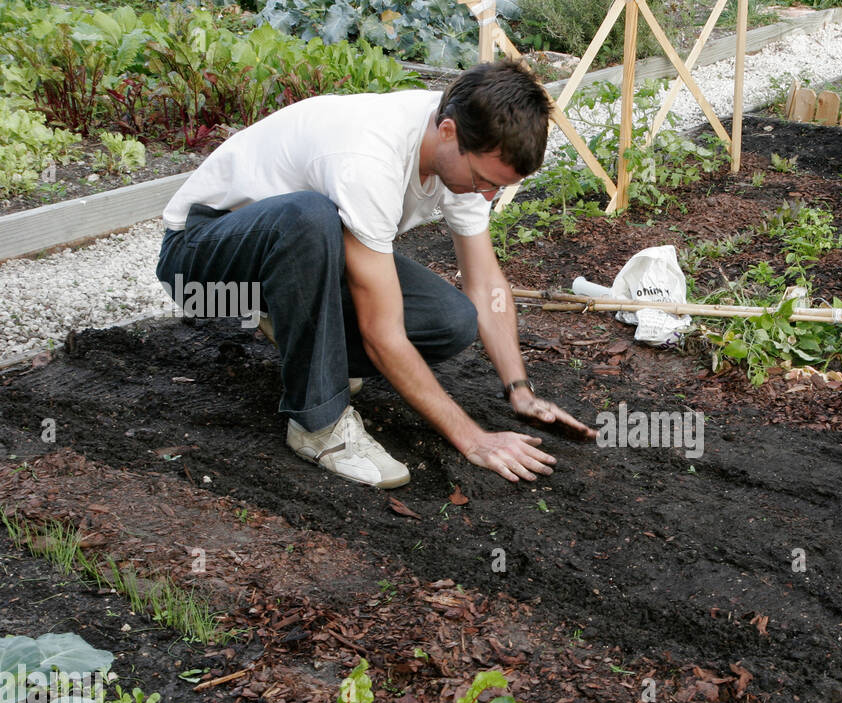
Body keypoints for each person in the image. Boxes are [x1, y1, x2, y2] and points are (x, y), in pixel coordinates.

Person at [155, 59, 595, 490]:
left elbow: (485, 284)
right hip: (204, 273)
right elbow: (382, 333)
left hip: (283, 264)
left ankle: (303, 339)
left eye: (497, 187)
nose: (488, 195)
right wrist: (474, 439)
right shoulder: (369, 155)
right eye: (484, 181)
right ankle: (317, 424)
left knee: (450, 319)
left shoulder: (465, 147)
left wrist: (520, 390)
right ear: (448, 132)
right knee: (310, 216)